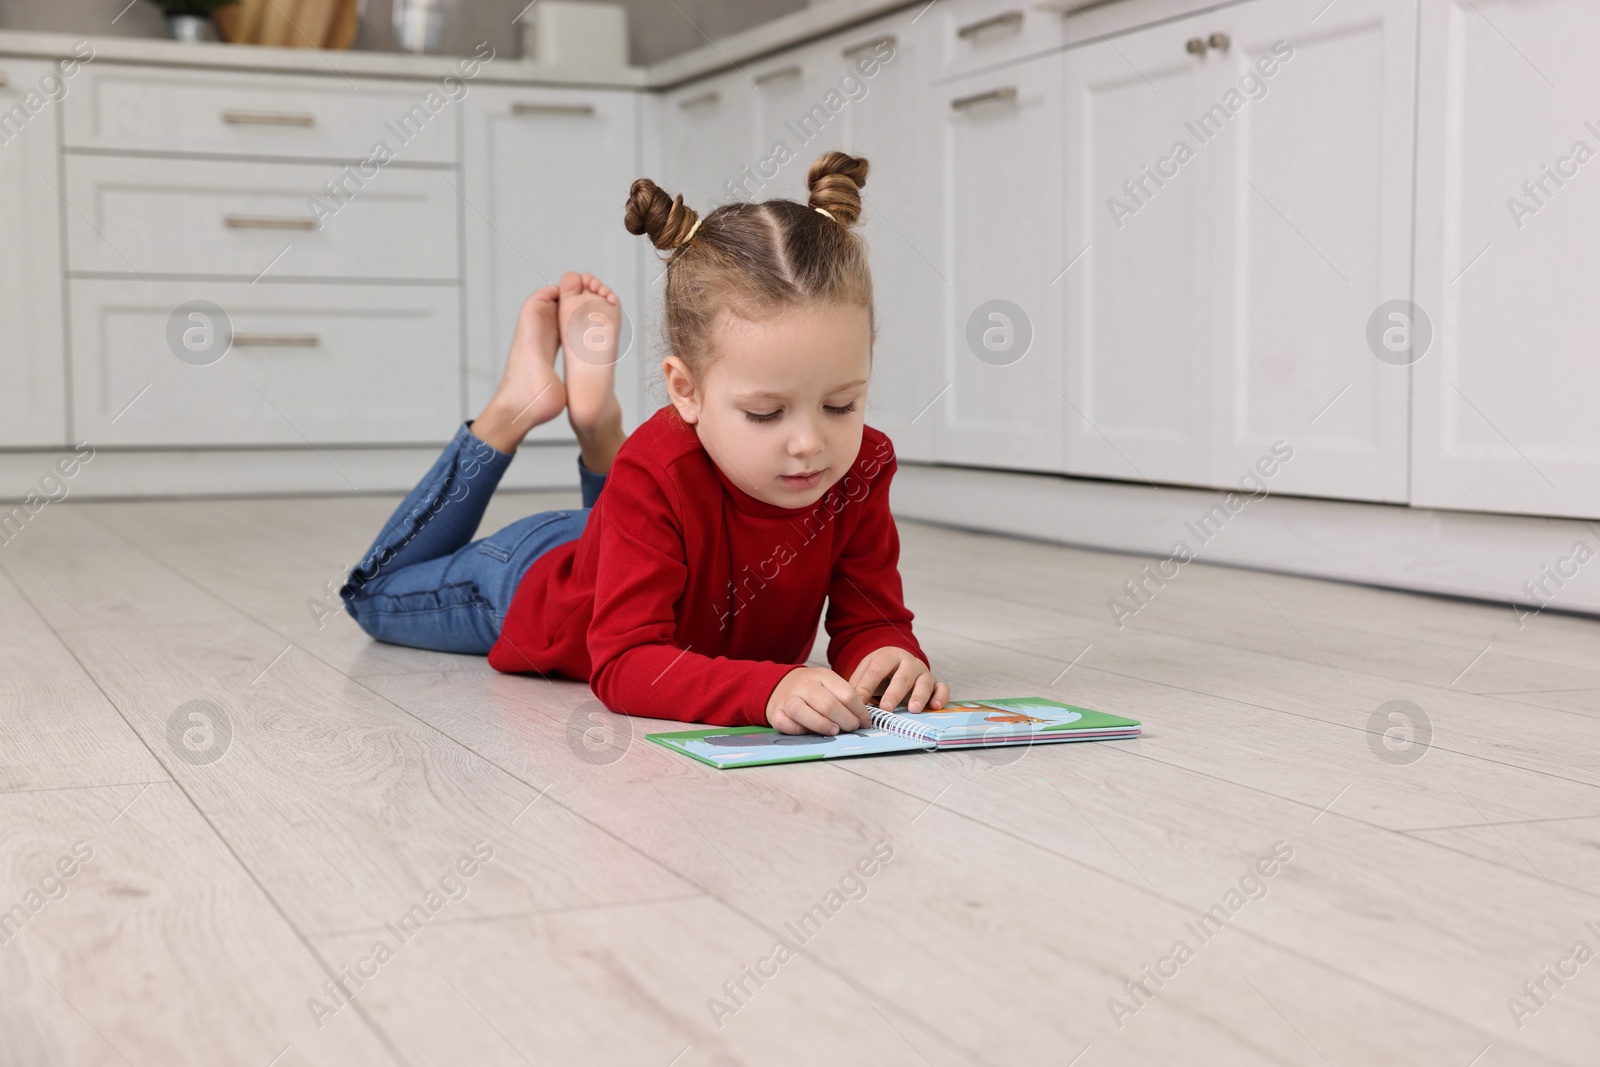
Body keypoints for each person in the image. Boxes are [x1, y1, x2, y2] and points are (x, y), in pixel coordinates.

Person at [340, 150, 948, 734]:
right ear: (686, 391)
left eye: (842, 405)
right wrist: (765, 691)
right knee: (371, 596)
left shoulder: (861, 464)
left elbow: (872, 616)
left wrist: (889, 655)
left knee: (644, 491)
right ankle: (511, 410)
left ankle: (599, 429)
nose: (810, 443)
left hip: (632, 533)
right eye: (766, 413)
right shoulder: (658, 469)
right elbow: (625, 664)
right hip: (534, 579)